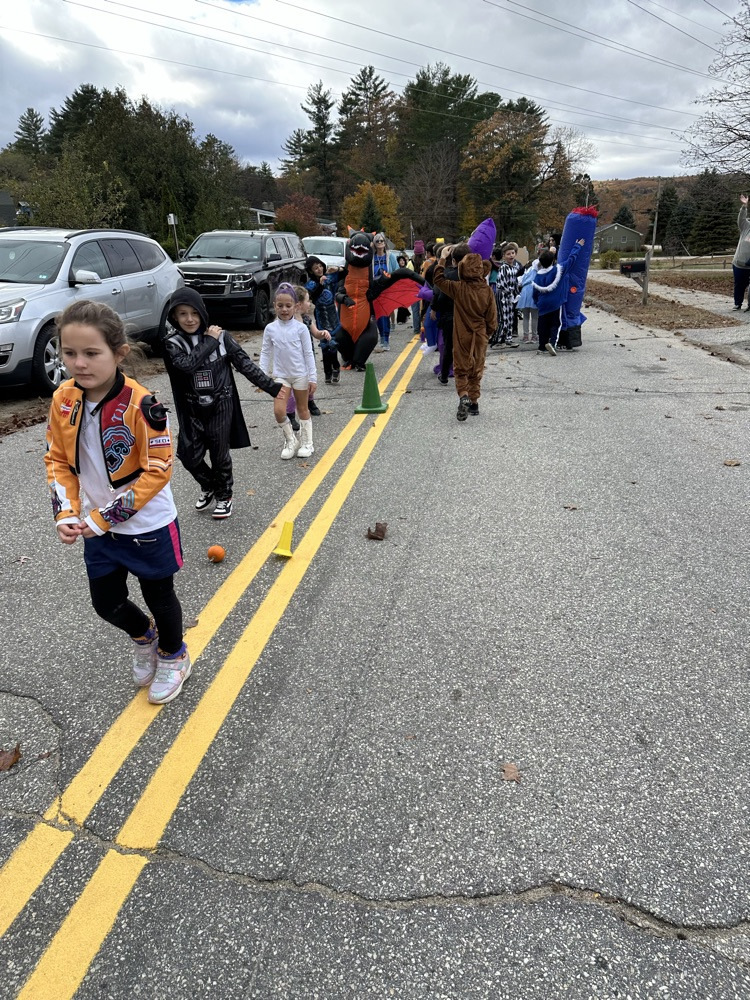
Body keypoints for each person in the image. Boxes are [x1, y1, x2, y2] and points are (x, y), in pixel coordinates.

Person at [44, 300, 191, 705]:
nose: (79, 363)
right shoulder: (63, 399)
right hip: (97, 526)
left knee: (160, 597)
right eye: (69, 352)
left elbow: (158, 470)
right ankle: (145, 637)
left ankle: (174, 654)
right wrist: (66, 512)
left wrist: (102, 518)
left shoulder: (144, 405)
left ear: (119, 353)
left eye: (92, 353)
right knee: (106, 603)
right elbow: (57, 459)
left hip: (147, 524)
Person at [163, 287, 281, 520]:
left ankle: (224, 495)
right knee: (188, 456)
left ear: (202, 313)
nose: (189, 319)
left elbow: (245, 364)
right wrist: (209, 341)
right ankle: (209, 485)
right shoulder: (172, 343)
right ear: (174, 316)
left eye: (194, 313)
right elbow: (186, 366)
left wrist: (272, 387)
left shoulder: (223, 337)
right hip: (191, 408)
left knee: (220, 454)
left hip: (221, 404)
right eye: (183, 314)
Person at [433, 242, 497, 421]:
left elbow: (438, 280)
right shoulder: (487, 291)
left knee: (461, 369)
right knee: (476, 369)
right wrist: (487, 333)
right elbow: (492, 318)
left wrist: (442, 259)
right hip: (480, 334)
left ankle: (463, 395)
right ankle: (474, 403)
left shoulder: (458, 288)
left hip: (462, 334)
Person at [260, 283, 317, 460]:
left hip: (300, 375)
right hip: (281, 376)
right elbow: (265, 352)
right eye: (280, 305)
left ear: (296, 306)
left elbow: (308, 353)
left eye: (288, 305)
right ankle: (291, 440)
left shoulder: (301, 328)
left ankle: (307, 442)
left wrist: (312, 377)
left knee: (302, 409)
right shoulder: (270, 329)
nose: (284, 309)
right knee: (279, 410)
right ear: (274, 306)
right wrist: (261, 376)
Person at [284, 284, 332, 429]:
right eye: (307, 300)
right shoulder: (288, 323)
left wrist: (322, 333)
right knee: (292, 388)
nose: (309, 303)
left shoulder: (306, 319)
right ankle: (290, 414)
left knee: (309, 382)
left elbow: (316, 333)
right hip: (292, 361)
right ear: (298, 304)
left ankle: (310, 401)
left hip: (307, 358)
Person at [532, 239, 585, 356]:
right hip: (555, 304)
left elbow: (534, 293)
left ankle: (541, 347)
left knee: (543, 326)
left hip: (542, 305)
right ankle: (552, 343)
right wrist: (577, 246)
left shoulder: (537, 277)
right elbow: (571, 260)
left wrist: (537, 303)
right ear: (553, 261)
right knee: (556, 324)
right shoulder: (558, 270)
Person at [305, 255, 341, 383]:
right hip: (321, 315)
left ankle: (336, 366)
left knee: (333, 343)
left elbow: (345, 273)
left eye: (320, 266)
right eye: (316, 268)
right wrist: (320, 285)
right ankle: (327, 372)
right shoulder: (311, 284)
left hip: (332, 315)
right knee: (325, 345)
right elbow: (312, 297)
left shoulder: (329, 278)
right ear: (311, 271)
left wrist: (337, 269)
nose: (319, 269)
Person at [372, 233, 399, 352]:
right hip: (376, 290)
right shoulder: (372, 258)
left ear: (385, 243)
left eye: (382, 241)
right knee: (378, 315)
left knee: (385, 314)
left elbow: (397, 271)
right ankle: (382, 337)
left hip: (387, 290)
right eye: (377, 241)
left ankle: (385, 339)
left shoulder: (390, 256)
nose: (380, 243)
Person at [491, 243, 521, 348]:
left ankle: (508, 339)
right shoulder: (503, 268)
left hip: (510, 295)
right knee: (502, 317)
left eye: (512, 253)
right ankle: (497, 341)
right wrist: (509, 293)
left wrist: (516, 294)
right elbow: (502, 283)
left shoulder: (515, 268)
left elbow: (515, 282)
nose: (511, 255)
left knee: (510, 317)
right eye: (508, 254)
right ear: (504, 256)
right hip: (502, 295)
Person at [732, 193, 750, 311]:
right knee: (739, 284)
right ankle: (738, 303)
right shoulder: (746, 226)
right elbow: (741, 219)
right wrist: (744, 206)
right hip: (739, 263)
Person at [517, 259, 539, 344]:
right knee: (535, 317)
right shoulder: (537, 270)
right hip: (534, 290)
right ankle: (534, 336)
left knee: (525, 316)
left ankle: (525, 336)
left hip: (524, 291)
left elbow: (519, 282)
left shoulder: (526, 272)